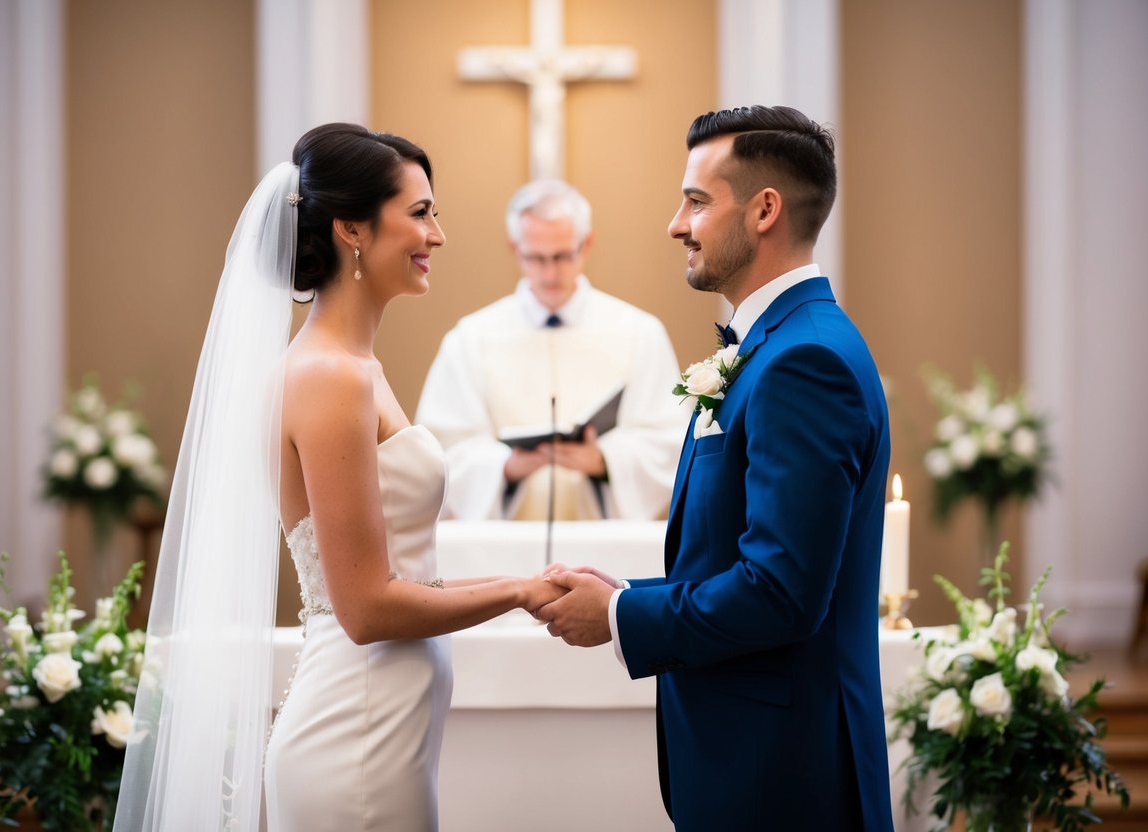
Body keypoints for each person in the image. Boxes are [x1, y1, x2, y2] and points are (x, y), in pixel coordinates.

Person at [114, 124, 564, 832]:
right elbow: (365, 609)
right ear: (352, 227)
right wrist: (518, 590)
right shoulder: (328, 377)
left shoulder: (355, 369)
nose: (436, 236)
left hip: (387, 731)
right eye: (420, 213)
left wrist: (527, 581)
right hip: (354, 739)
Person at [537, 106, 895, 831]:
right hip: (758, 764)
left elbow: (781, 593)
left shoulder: (804, 361)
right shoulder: (775, 345)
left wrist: (615, 616)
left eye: (696, 201)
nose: (676, 224)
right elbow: (745, 553)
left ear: (764, 210)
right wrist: (630, 591)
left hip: (783, 779)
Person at [415, 179, 688, 521]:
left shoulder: (640, 332)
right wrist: (506, 467)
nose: (549, 272)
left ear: (586, 244)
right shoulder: (470, 338)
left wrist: (603, 460)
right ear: (515, 249)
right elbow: (442, 451)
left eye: (562, 256)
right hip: (506, 546)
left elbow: (670, 442)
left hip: (606, 542)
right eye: (535, 257)